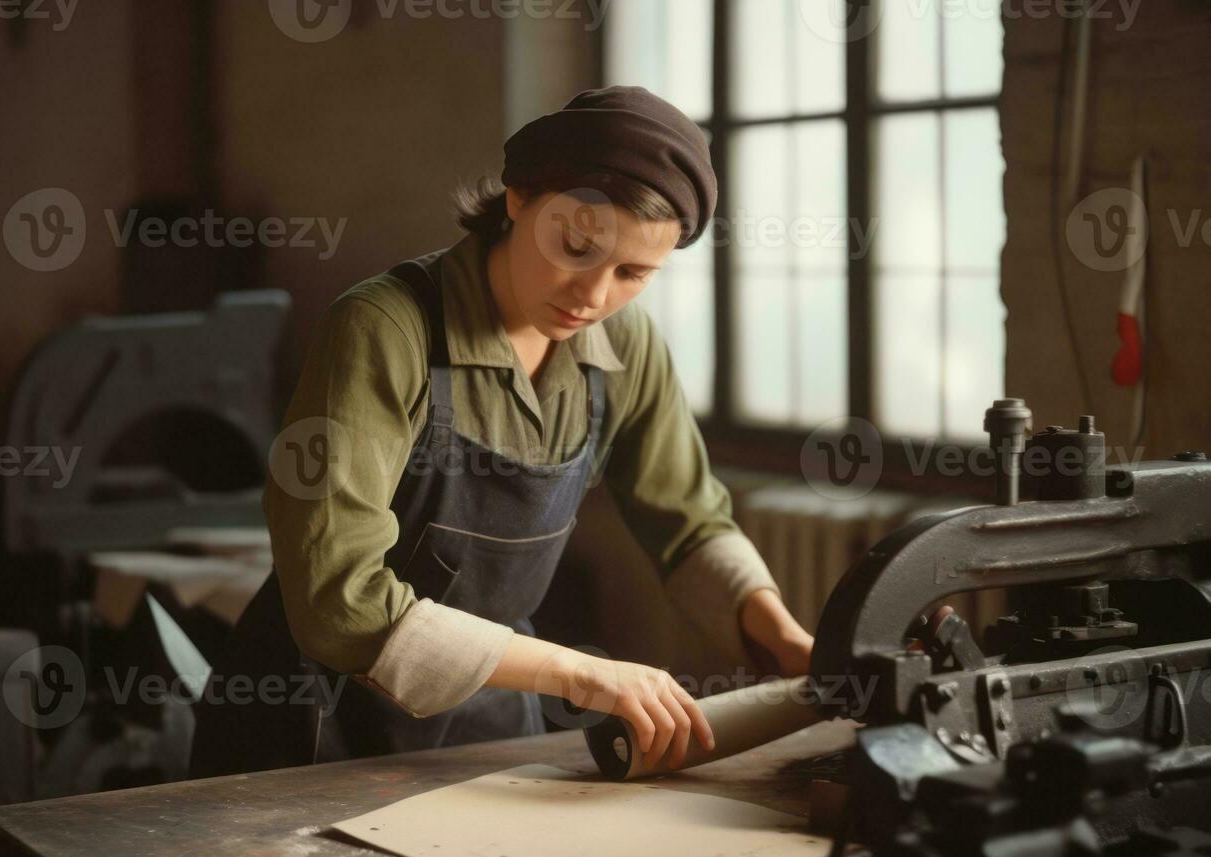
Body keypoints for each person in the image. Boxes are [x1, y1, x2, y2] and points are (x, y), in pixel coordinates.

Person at [188, 85, 815, 779]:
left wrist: (784, 640)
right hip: (309, 721)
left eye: (633, 273)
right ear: (517, 198)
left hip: (485, 716)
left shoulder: (625, 347)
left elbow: (690, 522)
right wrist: (575, 673)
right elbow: (339, 601)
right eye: (575, 246)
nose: (593, 296)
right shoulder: (386, 328)